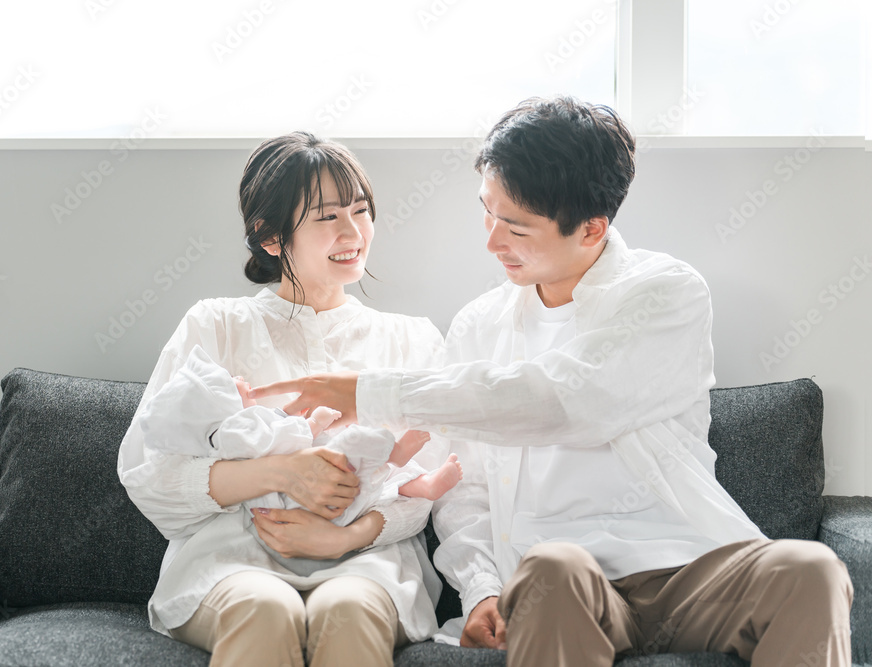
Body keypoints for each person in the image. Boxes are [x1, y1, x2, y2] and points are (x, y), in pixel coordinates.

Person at [247, 97, 854, 666]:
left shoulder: (665, 293)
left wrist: (370, 393)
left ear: (591, 228)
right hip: (560, 585)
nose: (492, 241)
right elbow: (466, 487)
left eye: (516, 228)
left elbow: (567, 400)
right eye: (487, 211)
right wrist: (481, 589)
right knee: (555, 566)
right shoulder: (480, 325)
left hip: (690, 569)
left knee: (813, 570)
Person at [117, 131, 451, 667]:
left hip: (369, 564)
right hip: (230, 564)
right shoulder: (215, 326)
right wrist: (283, 472)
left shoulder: (412, 340)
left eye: (360, 210)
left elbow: (429, 482)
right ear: (270, 236)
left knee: (350, 610)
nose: (353, 232)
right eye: (327, 217)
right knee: (265, 609)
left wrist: (346, 537)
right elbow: (147, 475)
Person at [134, 343, 463, 576]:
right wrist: (308, 430)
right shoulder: (234, 429)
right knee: (357, 446)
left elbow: (272, 434)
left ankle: (416, 479)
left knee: (372, 479)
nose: (240, 378)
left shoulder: (415, 338)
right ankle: (400, 461)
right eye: (229, 382)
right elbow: (149, 487)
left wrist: (346, 539)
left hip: (345, 539)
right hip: (263, 539)